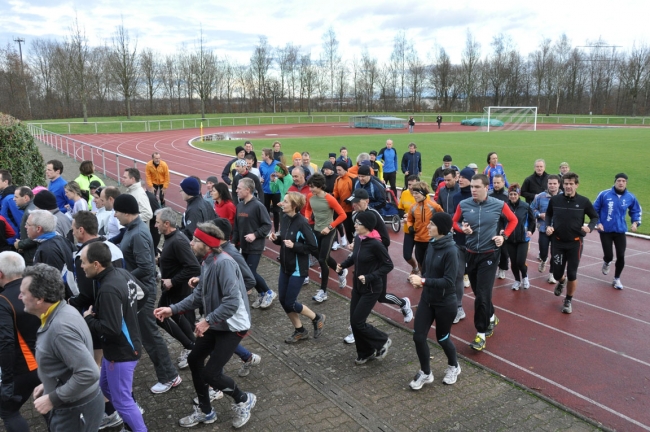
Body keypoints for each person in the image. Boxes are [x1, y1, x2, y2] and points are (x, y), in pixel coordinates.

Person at [154, 223, 257, 429]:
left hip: (232, 325)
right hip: (217, 322)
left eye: (195, 240)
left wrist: (206, 321)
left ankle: (244, 399)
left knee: (212, 373)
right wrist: (172, 310)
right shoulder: (208, 262)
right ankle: (206, 411)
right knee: (194, 359)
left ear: (207, 244)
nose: (191, 243)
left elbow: (231, 303)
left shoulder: (224, 263)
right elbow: (198, 296)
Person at [20, 264, 103, 432]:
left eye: (24, 293)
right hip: (76, 406)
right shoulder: (61, 310)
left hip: (75, 411)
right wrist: (49, 382)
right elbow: (66, 359)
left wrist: (53, 398)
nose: (19, 296)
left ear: (40, 298)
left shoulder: (60, 329)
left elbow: (89, 372)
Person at [113, 194, 181, 393]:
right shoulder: (130, 229)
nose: (115, 215)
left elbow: (146, 267)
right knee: (145, 334)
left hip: (143, 292)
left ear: (126, 212)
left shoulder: (139, 234)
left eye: (117, 211)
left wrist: (121, 279)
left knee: (150, 335)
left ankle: (170, 376)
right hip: (137, 289)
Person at [80, 242, 147, 432]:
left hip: (121, 353)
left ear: (96, 264)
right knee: (106, 388)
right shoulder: (122, 273)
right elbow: (144, 294)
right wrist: (129, 314)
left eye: (84, 262)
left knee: (123, 401)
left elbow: (110, 329)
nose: (81, 266)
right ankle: (130, 424)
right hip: (120, 349)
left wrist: (88, 319)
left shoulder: (108, 288)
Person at [452, 173, 518, 351]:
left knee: (481, 295)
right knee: (478, 293)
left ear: (486, 188)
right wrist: (462, 228)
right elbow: (454, 222)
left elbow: (513, 220)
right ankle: (491, 316)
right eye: (472, 187)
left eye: (477, 187)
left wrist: (503, 236)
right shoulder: (464, 205)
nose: (473, 190)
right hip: (471, 254)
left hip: (490, 254)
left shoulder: (499, 205)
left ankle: (481, 334)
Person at [407, 213, 461, 390]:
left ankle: (454, 366)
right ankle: (426, 372)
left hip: (445, 303)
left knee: (443, 338)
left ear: (442, 229)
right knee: (418, 336)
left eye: (431, 224)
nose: (428, 227)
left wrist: (423, 281)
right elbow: (428, 272)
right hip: (427, 299)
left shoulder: (452, 251)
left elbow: (449, 281)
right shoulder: (432, 245)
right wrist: (420, 279)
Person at [337, 211, 394, 365]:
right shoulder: (358, 238)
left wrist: (370, 277)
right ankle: (365, 352)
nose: (354, 225)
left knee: (358, 322)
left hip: (371, 288)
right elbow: (355, 257)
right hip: (357, 286)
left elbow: (388, 265)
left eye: (358, 223)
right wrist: (343, 265)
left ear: (367, 226)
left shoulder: (376, 244)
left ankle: (382, 340)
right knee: (354, 321)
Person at [270, 192, 326, 343]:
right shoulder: (284, 217)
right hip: (285, 266)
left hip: (297, 269)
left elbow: (313, 246)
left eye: (286, 201)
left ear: (294, 205)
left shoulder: (302, 222)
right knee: (283, 300)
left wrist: (295, 246)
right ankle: (300, 330)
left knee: (290, 302)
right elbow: (285, 240)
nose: (282, 203)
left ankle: (317, 317)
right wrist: (277, 239)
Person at [154, 208, 201, 370]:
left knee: (184, 324)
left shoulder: (178, 241)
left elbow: (194, 267)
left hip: (179, 293)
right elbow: (177, 262)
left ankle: (192, 349)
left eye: (158, 222)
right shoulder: (169, 238)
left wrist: (173, 281)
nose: (155, 225)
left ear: (167, 224)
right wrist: (161, 261)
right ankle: (190, 346)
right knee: (160, 317)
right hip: (170, 292)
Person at [545, 172, 599, 314]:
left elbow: (594, 217)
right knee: (556, 274)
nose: (568, 186)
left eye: (571, 184)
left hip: (575, 243)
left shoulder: (584, 201)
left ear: (576, 185)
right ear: (563, 184)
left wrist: (590, 227)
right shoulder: (555, 200)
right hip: (557, 242)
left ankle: (568, 299)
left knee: (572, 273)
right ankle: (561, 281)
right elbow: (549, 214)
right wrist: (548, 226)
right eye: (566, 184)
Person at [0, 252, 41, 432]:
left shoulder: (3, 301)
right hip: (47, 361)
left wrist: (7, 382)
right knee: (48, 406)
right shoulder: (39, 290)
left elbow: (6, 343)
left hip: (23, 367)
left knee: (8, 411)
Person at [232, 178, 275, 309]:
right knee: (247, 273)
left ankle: (269, 292)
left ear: (248, 190)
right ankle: (262, 293)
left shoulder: (258, 206)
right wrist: (233, 243)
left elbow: (267, 225)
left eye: (239, 188)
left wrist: (254, 235)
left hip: (255, 246)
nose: (236, 190)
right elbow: (237, 227)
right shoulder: (239, 206)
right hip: (243, 247)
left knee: (250, 273)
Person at [593, 173, 641, 290]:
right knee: (609, 255)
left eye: (623, 181)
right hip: (606, 230)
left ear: (626, 183)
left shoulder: (630, 197)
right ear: (615, 182)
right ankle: (607, 262)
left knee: (621, 255)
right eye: (619, 180)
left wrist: (635, 223)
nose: (621, 183)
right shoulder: (604, 194)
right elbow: (594, 210)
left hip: (620, 231)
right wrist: (598, 223)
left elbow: (636, 211)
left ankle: (617, 278)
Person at [304, 173, 347, 302]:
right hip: (316, 230)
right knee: (324, 257)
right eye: (309, 186)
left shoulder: (329, 199)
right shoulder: (310, 196)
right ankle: (340, 272)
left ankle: (323, 291)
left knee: (322, 260)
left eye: (312, 187)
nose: (310, 189)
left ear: (320, 186)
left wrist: (330, 226)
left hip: (329, 232)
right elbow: (308, 209)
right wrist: (307, 218)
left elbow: (342, 215)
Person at [27, 210, 77, 299]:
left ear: (38, 228)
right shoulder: (61, 239)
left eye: (28, 224)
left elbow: (52, 285)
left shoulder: (48, 251)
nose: (25, 226)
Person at [451, 168, 473, 322]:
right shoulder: (456, 196)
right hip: (459, 242)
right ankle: (459, 307)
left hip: (476, 245)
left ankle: (486, 309)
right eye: (460, 176)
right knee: (458, 275)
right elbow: (455, 220)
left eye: (464, 177)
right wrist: (461, 229)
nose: (461, 179)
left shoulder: (478, 197)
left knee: (477, 279)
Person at [406, 182, 443, 275]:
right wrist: (410, 226)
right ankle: (423, 278)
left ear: (423, 193)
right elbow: (409, 219)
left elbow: (443, 217)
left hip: (431, 240)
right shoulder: (413, 207)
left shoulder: (434, 206)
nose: (414, 196)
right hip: (418, 239)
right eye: (413, 193)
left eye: (416, 193)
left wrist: (440, 230)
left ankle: (430, 278)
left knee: (430, 262)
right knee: (420, 261)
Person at [531, 175, 562, 284]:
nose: (552, 185)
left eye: (554, 183)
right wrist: (539, 214)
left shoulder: (564, 197)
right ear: (547, 184)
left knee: (555, 253)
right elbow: (532, 209)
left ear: (559, 184)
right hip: (544, 229)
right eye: (550, 183)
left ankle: (552, 274)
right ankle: (544, 260)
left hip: (558, 231)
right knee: (543, 251)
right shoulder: (540, 196)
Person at [505, 185, 535, 290]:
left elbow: (532, 220)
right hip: (509, 238)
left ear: (519, 194)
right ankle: (517, 280)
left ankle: (525, 277)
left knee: (520, 261)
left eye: (515, 194)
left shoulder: (525, 206)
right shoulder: (505, 207)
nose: (513, 196)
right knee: (513, 262)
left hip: (523, 238)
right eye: (511, 194)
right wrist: (501, 229)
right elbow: (500, 220)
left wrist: (531, 230)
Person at [489, 174, 510, 280]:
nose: (496, 185)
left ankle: (502, 268)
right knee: (490, 248)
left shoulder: (507, 196)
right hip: (491, 225)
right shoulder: (489, 194)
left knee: (504, 250)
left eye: (498, 183)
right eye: (494, 182)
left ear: (503, 183)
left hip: (504, 226)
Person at [398, 175, 419, 277]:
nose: (410, 187)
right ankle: (415, 267)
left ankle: (422, 275)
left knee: (421, 256)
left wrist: (411, 217)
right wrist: (404, 216)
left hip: (420, 231)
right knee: (407, 255)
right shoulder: (405, 193)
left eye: (413, 185)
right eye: (409, 184)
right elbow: (400, 208)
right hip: (408, 230)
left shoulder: (424, 196)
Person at [12, 187, 37, 265]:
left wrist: (20, 244)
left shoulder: (30, 212)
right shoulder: (30, 209)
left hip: (31, 256)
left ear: (26, 198)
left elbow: (36, 236)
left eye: (16, 197)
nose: (13, 199)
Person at [332, 162, 354, 247]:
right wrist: (333, 195)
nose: (338, 172)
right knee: (347, 230)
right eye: (337, 170)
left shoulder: (353, 178)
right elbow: (336, 191)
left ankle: (357, 247)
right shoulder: (338, 179)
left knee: (355, 229)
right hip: (343, 210)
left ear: (345, 169)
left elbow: (356, 192)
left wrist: (350, 200)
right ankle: (351, 246)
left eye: (339, 170)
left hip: (353, 210)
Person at [259, 148, 281, 232]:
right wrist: (261, 179)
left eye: (262, 154)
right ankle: (267, 230)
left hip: (276, 191)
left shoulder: (278, 164)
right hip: (265, 191)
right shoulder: (261, 165)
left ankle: (276, 231)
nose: (261, 156)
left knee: (276, 212)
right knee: (266, 212)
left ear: (267, 156)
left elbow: (282, 176)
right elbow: (261, 175)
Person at [0, 170, 22, 238]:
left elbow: (20, 219)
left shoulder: (10, 198)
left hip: (12, 239)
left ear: (5, 181)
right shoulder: (3, 196)